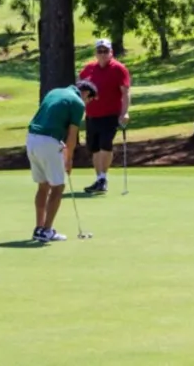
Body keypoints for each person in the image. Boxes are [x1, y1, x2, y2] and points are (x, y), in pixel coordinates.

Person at [26, 80, 98, 242]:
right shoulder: (78, 102)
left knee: (43, 185)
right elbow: (72, 134)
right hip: (48, 142)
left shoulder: (54, 91)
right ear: (86, 92)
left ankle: (39, 228)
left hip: (31, 139)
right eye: (90, 99)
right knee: (58, 186)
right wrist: (69, 159)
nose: (87, 103)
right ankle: (47, 230)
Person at [78, 39, 132, 194]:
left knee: (105, 144)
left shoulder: (119, 69)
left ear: (111, 53)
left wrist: (125, 112)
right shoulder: (88, 69)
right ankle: (99, 179)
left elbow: (125, 92)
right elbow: (80, 89)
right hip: (92, 115)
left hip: (110, 115)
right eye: (99, 51)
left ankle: (103, 178)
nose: (102, 54)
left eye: (105, 51)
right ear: (96, 53)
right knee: (94, 148)